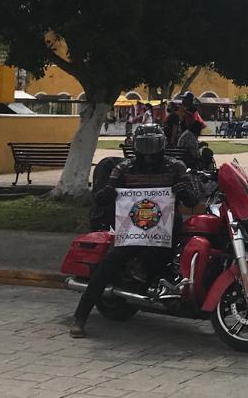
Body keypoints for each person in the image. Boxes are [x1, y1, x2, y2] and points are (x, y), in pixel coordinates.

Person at [69, 125, 198, 338]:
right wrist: (106, 193)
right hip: (131, 231)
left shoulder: (176, 167)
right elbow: (101, 197)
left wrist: (185, 192)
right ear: (135, 147)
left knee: (169, 257)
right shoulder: (124, 169)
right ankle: (80, 317)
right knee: (108, 264)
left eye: (153, 145)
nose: (148, 152)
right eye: (143, 146)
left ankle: (158, 285)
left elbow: (192, 200)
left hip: (166, 231)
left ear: (162, 145)